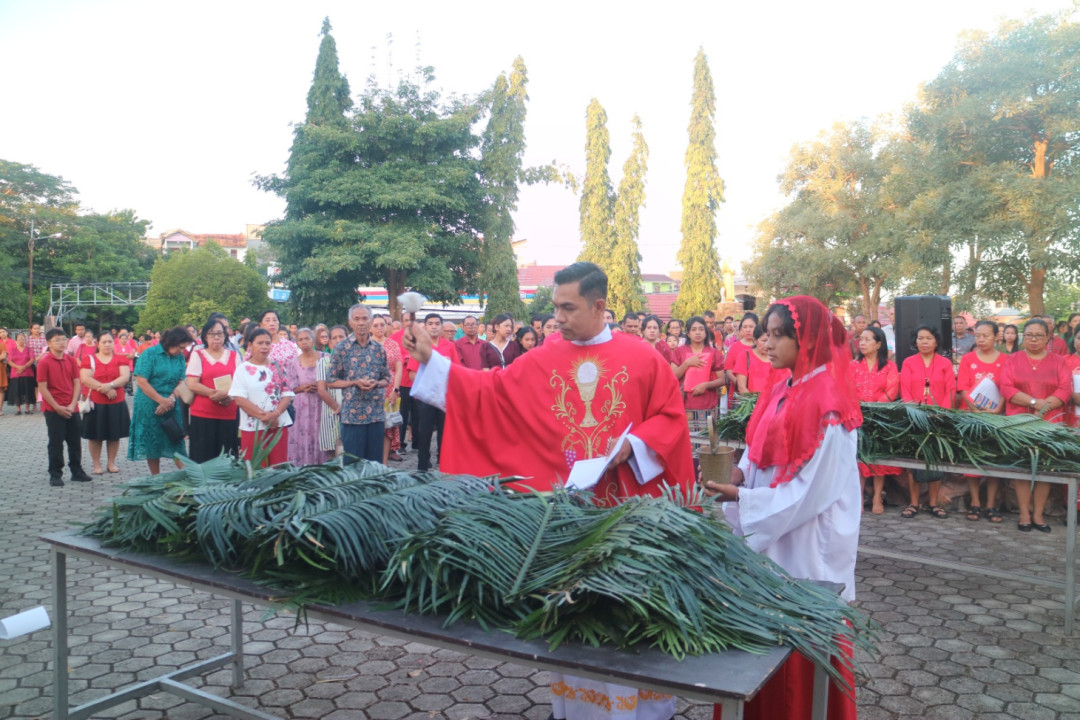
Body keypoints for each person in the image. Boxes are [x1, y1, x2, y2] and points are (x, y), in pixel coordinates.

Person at [402, 262, 693, 720]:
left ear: (599, 306)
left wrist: (632, 445)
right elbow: (488, 393)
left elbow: (671, 419)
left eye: (567, 307)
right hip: (568, 521)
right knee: (577, 615)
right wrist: (431, 361)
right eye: (555, 307)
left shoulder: (643, 357)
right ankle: (579, 711)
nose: (556, 317)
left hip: (629, 514)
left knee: (628, 614)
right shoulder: (543, 357)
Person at [703, 295, 862, 720]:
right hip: (773, 524)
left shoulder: (828, 400)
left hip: (806, 538)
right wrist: (739, 474)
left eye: (777, 336)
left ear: (805, 339)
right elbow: (759, 447)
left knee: (797, 635)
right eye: (764, 335)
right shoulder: (785, 384)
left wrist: (745, 500)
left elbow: (814, 491)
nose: (765, 345)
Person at [999, 319, 1071, 533]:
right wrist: (1033, 402)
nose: (1033, 339)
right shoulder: (1012, 359)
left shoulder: (1059, 361)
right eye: (1029, 334)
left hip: (1050, 424)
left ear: (1048, 337)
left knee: (1044, 469)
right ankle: (1024, 514)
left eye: (1039, 335)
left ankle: (1038, 514)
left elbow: (1065, 388)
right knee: (1022, 467)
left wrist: (1044, 407)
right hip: (1019, 422)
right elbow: (1006, 387)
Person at [898, 325, 955, 519]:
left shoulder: (945, 363)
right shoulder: (908, 362)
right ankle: (913, 503)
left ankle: (933, 503)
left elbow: (950, 391)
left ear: (936, 341)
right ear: (915, 342)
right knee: (914, 461)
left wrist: (941, 414)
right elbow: (904, 390)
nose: (924, 342)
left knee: (935, 460)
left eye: (928, 338)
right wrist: (914, 413)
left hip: (938, 418)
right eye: (920, 338)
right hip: (915, 419)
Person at [955, 320, 1007, 523]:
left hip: (996, 418)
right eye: (978, 335)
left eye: (986, 335)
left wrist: (997, 409)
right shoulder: (968, 359)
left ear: (996, 336)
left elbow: (1007, 387)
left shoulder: (1005, 360)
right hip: (971, 417)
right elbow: (963, 387)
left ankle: (991, 505)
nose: (981, 339)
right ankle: (975, 503)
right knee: (972, 460)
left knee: (993, 462)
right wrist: (975, 410)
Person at [328, 305, 391, 464]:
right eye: (357, 319)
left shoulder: (379, 349)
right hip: (352, 417)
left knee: (374, 465)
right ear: (350, 322)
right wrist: (354, 383)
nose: (361, 322)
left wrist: (376, 383)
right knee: (352, 466)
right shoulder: (341, 348)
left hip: (376, 416)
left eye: (364, 318)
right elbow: (331, 381)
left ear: (370, 321)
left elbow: (386, 379)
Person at [851, 325, 900, 515]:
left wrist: (874, 409)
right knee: (859, 459)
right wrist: (860, 408)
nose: (861, 343)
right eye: (860, 339)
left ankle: (878, 496)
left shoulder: (890, 366)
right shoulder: (853, 365)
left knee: (878, 459)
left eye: (867, 339)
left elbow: (891, 390)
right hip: (857, 418)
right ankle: (860, 497)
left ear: (879, 344)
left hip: (880, 418)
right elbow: (847, 389)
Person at [229, 327, 295, 467]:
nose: (264, 346)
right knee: (256, 469)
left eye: (267, 343)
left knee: (278, 468)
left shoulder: (278, 366)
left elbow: (287, 394)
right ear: (250, 346)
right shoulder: (243, 369)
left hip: (278, 425)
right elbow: (240, 398)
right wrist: (264, 417)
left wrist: (274, 415)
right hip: (253, 427)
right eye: (260, 343)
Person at [128, 327, 190, 475]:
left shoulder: (180, 357)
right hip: (149, 404)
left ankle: (188, 476)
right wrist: (160, 400)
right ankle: (155, 478)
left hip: (171, 403)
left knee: (177, 442)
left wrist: (170, 399)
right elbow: (142, 381)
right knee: (152, 444)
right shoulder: (150, 354)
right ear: (171, 342)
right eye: (180, 347)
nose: (182, 351)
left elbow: (182, 382)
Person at [404, 313, 461, 471]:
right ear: (426, 326)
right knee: (424, 431)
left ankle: (443, 461)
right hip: (426, 398)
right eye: (431, 323)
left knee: (445, 431)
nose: (434, 326)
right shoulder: (420, 346)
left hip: (445, 396)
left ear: (442, 327)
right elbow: (412, 374)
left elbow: (456, 369)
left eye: (437, 323)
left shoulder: (449, 346)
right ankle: (423, 463)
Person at [38, 328, 92, 486]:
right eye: (57, 340)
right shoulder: (44, 362)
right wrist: (57, 407)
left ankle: (77, 471)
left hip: (72, 408)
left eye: (63, 339)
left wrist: (72, 404)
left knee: (75, 442)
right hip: (53, 409)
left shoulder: (70, 360)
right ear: (48, 343)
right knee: (56, 443)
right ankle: (55, 474)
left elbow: (77, 383)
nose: (62, 342)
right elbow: (43, 387)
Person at [185, 318, 240, 463]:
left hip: (228, 413)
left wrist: (227, 394)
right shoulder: (198, 355)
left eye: (220, 334)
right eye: (212, 334)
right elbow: (192, 384)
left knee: (227, 457)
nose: (216, 337)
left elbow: (241, 383)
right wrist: (214, 394)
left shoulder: (234, 356)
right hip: (203, 415)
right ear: (205, 336)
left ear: (225, 336)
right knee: (203, 457)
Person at [79, 331, 131, 474]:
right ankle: (96, 464)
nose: (107, 344)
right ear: (98, 343)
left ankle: (111, 463)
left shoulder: (120, 359)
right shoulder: (89, 359)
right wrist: (105, 390)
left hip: (117, 402)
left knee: (114, 435)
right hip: (96, 403)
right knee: (95, 436)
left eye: (110, 342)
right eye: (104, 342)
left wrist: (110, 385)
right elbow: (85, 378)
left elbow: (125, 377)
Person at [286, 328, 330, 466]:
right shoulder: (294, 363)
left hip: (322, 404)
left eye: (307, 338)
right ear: (297, 342)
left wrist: (321, 386)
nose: (304, 342)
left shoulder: (326, 358)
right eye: (300, 339)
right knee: (302, 437)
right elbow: (291, 388)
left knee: (321, 435)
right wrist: (303, 388)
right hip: (302, 408)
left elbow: (334, 380)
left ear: (313, 340)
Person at [671, 316, 726, 413]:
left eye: (701, 329)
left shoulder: (714, 353)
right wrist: (687, 364)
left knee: (708, 428)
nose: (698, 332)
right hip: (684, 402)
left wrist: (706, 385)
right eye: (694, 329)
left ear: (706, 332)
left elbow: (722, 380)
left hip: (708, 402)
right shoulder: (679, 352)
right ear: (688, 333)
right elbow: (672, 377)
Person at [371, 315, 404, 464]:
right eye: (376, 325)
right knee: (372, 427)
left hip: (390, 389)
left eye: (382, 325)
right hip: (371, 390)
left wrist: (395, 390)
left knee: (387, 428)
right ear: (370, 327)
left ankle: (384, 463)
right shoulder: (367, 344)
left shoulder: (392, 344)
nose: (379, 328)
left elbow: (398, 368)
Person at [316, 325, 349, 458]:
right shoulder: (324, 362)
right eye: (334, 338)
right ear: (329, 343)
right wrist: (337, 407)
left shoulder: (354, 361)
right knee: (332, 453)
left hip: (351, 412)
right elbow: (322, 390)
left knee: (348, 450)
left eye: (341, 336)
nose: (338, 340)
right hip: (331, 411)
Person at [732, 323, 791, 394]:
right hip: (753, 403)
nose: (769, 344)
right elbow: (742, 388)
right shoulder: (744, 356)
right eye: (764, 340)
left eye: (772, 339)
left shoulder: (782, 358)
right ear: (754, 340)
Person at [722, 313, 757, 387]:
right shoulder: (734, 346)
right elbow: (728, 369)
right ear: (741, 329)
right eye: (745, 327)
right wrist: (739, 384)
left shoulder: (761, 346)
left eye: (751, 327)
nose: (748, 330)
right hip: (737, 391)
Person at [7, 332, 36, 414]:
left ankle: (27, 409)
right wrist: (18, 367)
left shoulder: (29, 349)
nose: (21, 340)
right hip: (15, 374)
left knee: (28, 391)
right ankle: (18, 409)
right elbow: (9, 361)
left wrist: (23, 367)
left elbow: (32, 359)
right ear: (16, 340)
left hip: (27, 373)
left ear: (25, 340)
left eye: (23, 339)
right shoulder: (12, 350)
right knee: (17, 391)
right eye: (19, 339)